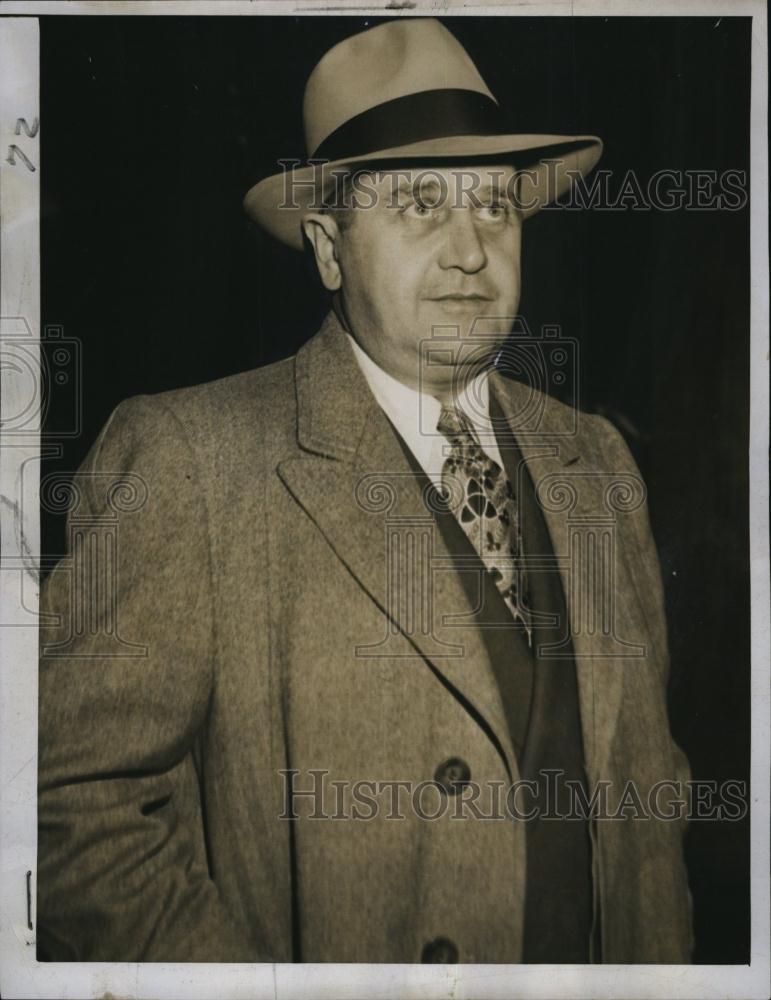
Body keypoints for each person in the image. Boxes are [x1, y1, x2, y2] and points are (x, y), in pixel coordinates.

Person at [37, 18, 693, 964]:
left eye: (497, 207)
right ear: (329, 248)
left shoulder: (597, 465)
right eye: (422, 205)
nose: (471, 250)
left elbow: (651, 796)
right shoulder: (192, 459)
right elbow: (60, 800)